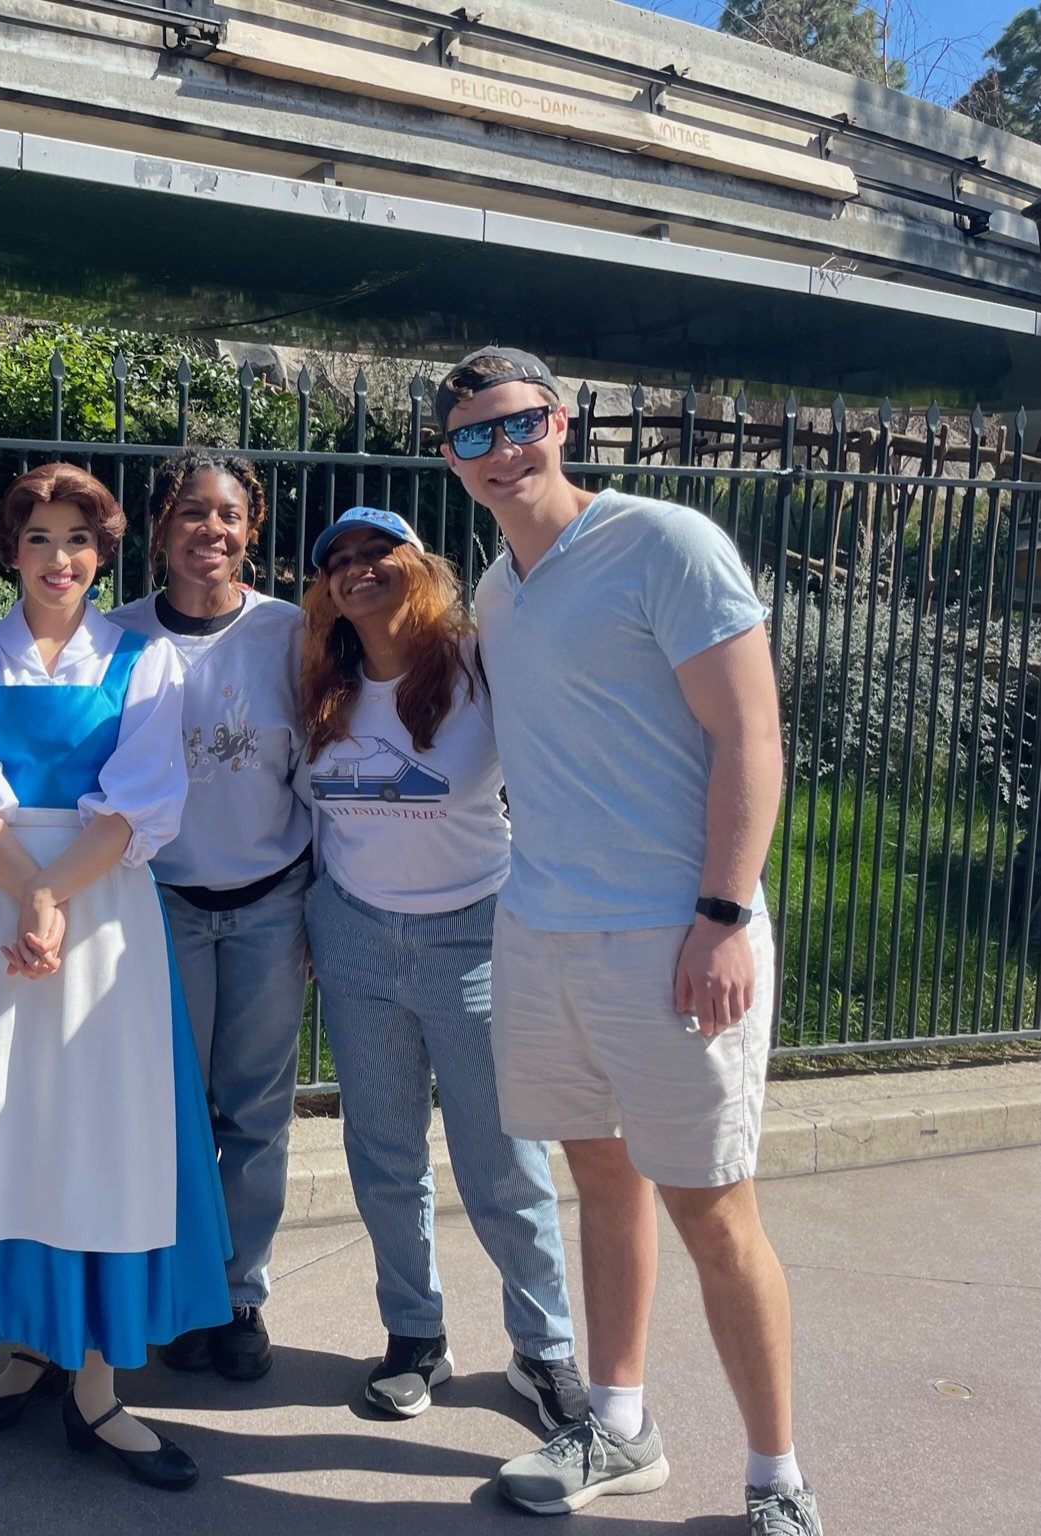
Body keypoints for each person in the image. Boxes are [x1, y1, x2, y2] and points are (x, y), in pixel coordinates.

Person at [437, 348, 814, 1533]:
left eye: (519, 425)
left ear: (565, 420)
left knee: (712, 1207)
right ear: (451, 460)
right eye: (471, 439)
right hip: (541, 930)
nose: (501, 454)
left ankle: (776, 1481)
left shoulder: (668, 544)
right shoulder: (499, 590)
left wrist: (721, 915)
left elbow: (752, 737)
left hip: (672, 937)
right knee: (599, 1178)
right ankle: (620, 1425)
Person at [0, 462, 229, 1492]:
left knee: (99, 1132)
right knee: (4, 1125)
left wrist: (49, 898)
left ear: (104, 553)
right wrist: (28, 895)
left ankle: (99, 1388)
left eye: (79, 540)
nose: (59, 558)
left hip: (99, 913)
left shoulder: (147, 662)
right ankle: (33, 1344)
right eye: (39, 538)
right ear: (11, 549)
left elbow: (138, 804)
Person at [296, 505, 584, 1433]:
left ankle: (544, 1352)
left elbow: (556, 765)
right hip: (354, 939)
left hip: (474, 938)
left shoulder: (474, 660)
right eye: (337, 560)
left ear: (417, 564)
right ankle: (414, 1337)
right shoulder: (321, 680)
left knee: (501, 1158)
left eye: (376, 550)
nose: (355, 568)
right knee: (383, 1153)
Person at [111, 449, 310, 1382]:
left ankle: (238, 1294)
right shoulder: (114, 639)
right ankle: (173, 1286)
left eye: (228, 515)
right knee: (165, 1109)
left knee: (255, 1109)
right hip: (159, 907)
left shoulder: (292, 635)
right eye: (191, 512)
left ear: (252, 528)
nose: (211, 531)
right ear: (158, 526)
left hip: (269, 902)